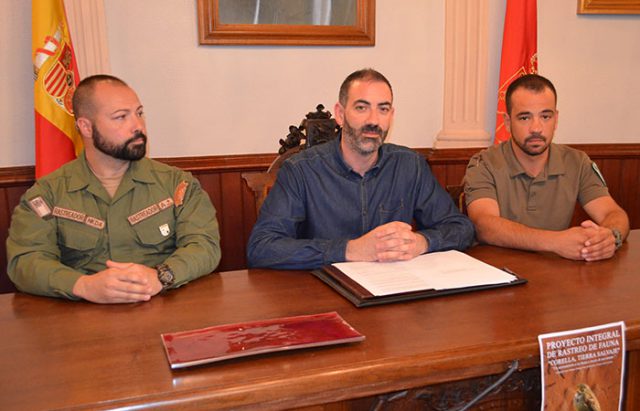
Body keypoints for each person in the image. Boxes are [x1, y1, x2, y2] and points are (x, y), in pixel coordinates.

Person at [6, 74, 221, 303]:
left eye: (139, 113)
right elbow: (25, 261)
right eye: (121, 117)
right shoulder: (49, 193)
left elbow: (204, 245)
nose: (138, 126)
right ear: (86, 127)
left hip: (161, 306)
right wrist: (83, 285)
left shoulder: (177, 185)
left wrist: (161, 276)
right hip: (81, 319)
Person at [247, 68, 475, 269]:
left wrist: (422, 242)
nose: (373, 120)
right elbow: (262, 247)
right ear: (340, 114)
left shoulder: (409, 165)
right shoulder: (301, 171)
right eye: (361, 107)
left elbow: (461, 228)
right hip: (324, 294)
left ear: (391, 116)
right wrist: (350, 249)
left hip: (393, 292)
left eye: (383, 109)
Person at [464, 73, 629, 261]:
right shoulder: (484, 164)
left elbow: (614, 213)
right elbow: (485, 226)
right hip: (500, 274)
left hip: (557, 275)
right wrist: (555, 242)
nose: (536, 128)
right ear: (508, 123)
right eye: (525, 118)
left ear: (556, 119)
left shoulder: (577, 162)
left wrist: (608, 237)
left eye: (545, 116)